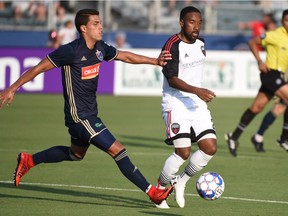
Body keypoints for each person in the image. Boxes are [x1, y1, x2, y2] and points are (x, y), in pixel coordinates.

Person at [0, 9, 173, 205]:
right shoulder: (70, 51)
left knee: (76, 155)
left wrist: (155, 61)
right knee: (118, 150)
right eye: (96, 24)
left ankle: (29, 160)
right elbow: (38, 68)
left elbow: (125, 56)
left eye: (100, 23)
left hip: (89, 114)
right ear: (83, 28)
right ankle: (152, 192)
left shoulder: (100, 48)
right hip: (79, 117)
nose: (101, 27)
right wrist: (12, 88)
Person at [154, 6, 217, 209]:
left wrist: (197, 94)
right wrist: (197, 90)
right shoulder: (172, 45)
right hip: (176, 102)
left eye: (199, 22)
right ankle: (159, 191)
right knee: (183, 152)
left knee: (210, 148)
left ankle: (181, 181)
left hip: (196, 103)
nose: (196, 26)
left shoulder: (201, 42)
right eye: (192, 22)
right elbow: (171, 79)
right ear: (182, 22)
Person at [225, 9, 288, 157]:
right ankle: (284, 138)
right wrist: (260, 61)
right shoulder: (274, 35)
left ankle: (233, 137)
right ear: (282, 22)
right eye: (286, 20)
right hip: (270, 74)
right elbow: (252, 42)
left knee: (256, 108)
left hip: (279, 76)